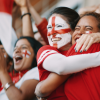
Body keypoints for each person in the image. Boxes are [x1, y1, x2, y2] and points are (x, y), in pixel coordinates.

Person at [35, 7, 100, 100]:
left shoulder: (89, 46)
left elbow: (42, 89)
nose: (51, 33)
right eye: (49, 28)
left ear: (72, 30)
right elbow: (62, 66)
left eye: (59, 26)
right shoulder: (45, 50)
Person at [0, 0, 43, 100]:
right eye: (15, 49)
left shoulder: (36, 71)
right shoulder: (11, 75)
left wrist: (24, 8)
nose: (17, 51)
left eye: (23, 48)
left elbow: (18, 98)